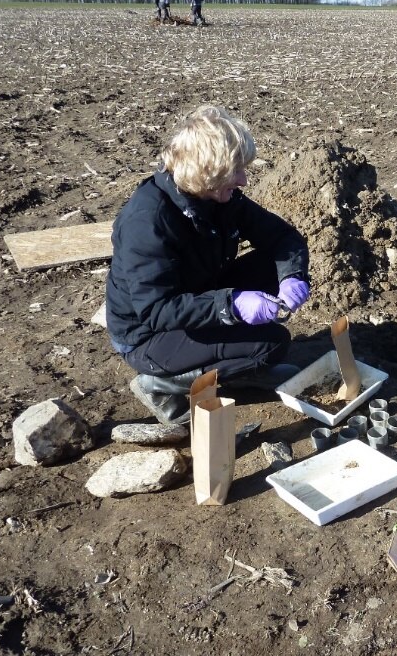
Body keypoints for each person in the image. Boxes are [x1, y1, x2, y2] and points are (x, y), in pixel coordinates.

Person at [106, 105, 311, 425]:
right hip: (147, 335)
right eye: (236, 171)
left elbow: (282, 237)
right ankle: (161, 384)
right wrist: (231, 305)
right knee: (271, 345)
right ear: (208, 173)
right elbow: (158, 310)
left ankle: (235, 368)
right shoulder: (147, 223)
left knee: (272, 264)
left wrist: (291, 276)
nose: (243, 180)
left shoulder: (218, 199)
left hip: (198, 291)